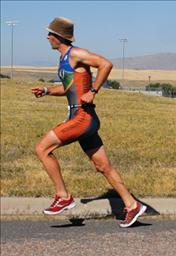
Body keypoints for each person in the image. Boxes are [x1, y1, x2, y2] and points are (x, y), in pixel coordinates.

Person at [31, 17, 146, 227]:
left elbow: (106, 64)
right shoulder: (65, 58)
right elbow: (68, 90)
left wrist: (93, 91)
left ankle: (63, 196)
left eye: (49, 34)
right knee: (103, 166)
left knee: (42, 149)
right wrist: (47, 91)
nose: (46, 37)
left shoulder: (76, 53)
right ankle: (132, 205)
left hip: (83, 117)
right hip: (82, 118)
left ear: (59, 37)